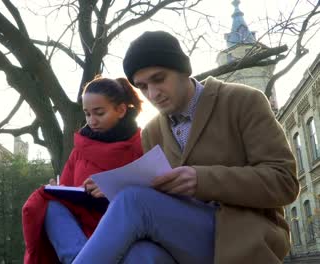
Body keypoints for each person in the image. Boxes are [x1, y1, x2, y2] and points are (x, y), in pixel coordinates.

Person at [72, 31, 299, 264]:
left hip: (244, 235)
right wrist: (114, 187)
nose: (153, 94)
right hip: (183, 240)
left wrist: (201, 180)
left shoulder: (243, 101)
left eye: (159, 79)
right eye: (142, 86)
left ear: (184, 69)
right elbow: (157, 195)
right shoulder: (152, 131)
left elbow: (285, 182)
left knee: (134, 202)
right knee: (140, 255)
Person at [23, 76, 166, 264]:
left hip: (126, 229)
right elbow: (68, 189)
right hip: (80, 231)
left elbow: (159, 189)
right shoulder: (79, 150)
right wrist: (57, 190)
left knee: (144, 253)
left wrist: (113, 188)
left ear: (121, 110)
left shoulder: (144, 143)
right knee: (47, 205)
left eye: (99, 113)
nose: (92, 121)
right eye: (87, 114)